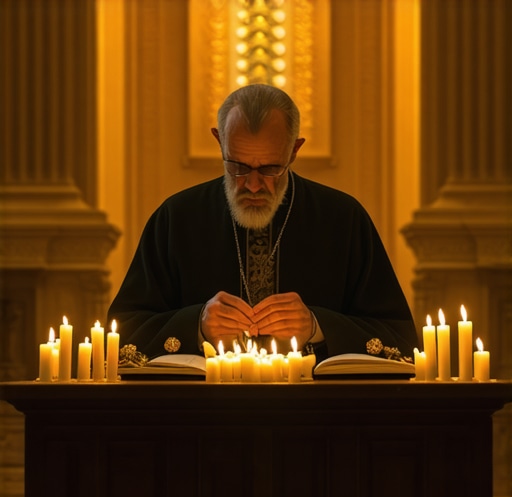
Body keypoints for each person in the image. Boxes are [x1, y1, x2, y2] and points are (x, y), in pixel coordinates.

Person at [108, 84, 418, 363]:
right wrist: (197, 324)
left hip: (319, 414)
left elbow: (400, 340)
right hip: (201, 412)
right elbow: (121, 336)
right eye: (238, 166)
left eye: (270, 168)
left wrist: (315, 326)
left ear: (294, 151)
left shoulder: (343, 219)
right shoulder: (177, 218)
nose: (253, 185)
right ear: (219, 141)